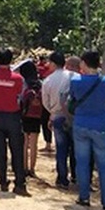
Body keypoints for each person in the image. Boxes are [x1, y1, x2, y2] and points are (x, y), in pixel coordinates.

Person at [70, 50, 105, 210]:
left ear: (83, 63)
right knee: (104, 165)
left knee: (82, 162)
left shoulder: (76, 81)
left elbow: (73, 97)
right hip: (100, 126)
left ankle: (84, 197)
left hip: (81, 124)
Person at [0, 48, 27, 195]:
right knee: (17, 150)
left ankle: (3, 181)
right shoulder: (17, 78)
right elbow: (20, 94)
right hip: (13, 116)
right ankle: (20, 183)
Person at [41, 51, 74, 187]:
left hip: (57, 117)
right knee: (75, 148)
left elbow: (45, 102)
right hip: (73, 117)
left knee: (61, 149)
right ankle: (77, 176)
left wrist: (53, 112)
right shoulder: (74, 76)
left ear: (53, 64)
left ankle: (62, 178)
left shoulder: (48, 80)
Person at [19, 61, 43, 177]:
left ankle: (24, 167)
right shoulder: (40, 84)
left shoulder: (23, 83)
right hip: (36, 116)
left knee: (24, 143)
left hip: (24, 115)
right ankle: (32, 169)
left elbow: (20, 99)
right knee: (34, 143)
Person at [36, 54, 53, 152]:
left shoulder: (41, 68)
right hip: (50, 98)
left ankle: (48, 144)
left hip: (45, 99)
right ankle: (48, 144)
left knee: (45, 121)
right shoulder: (48, 68)